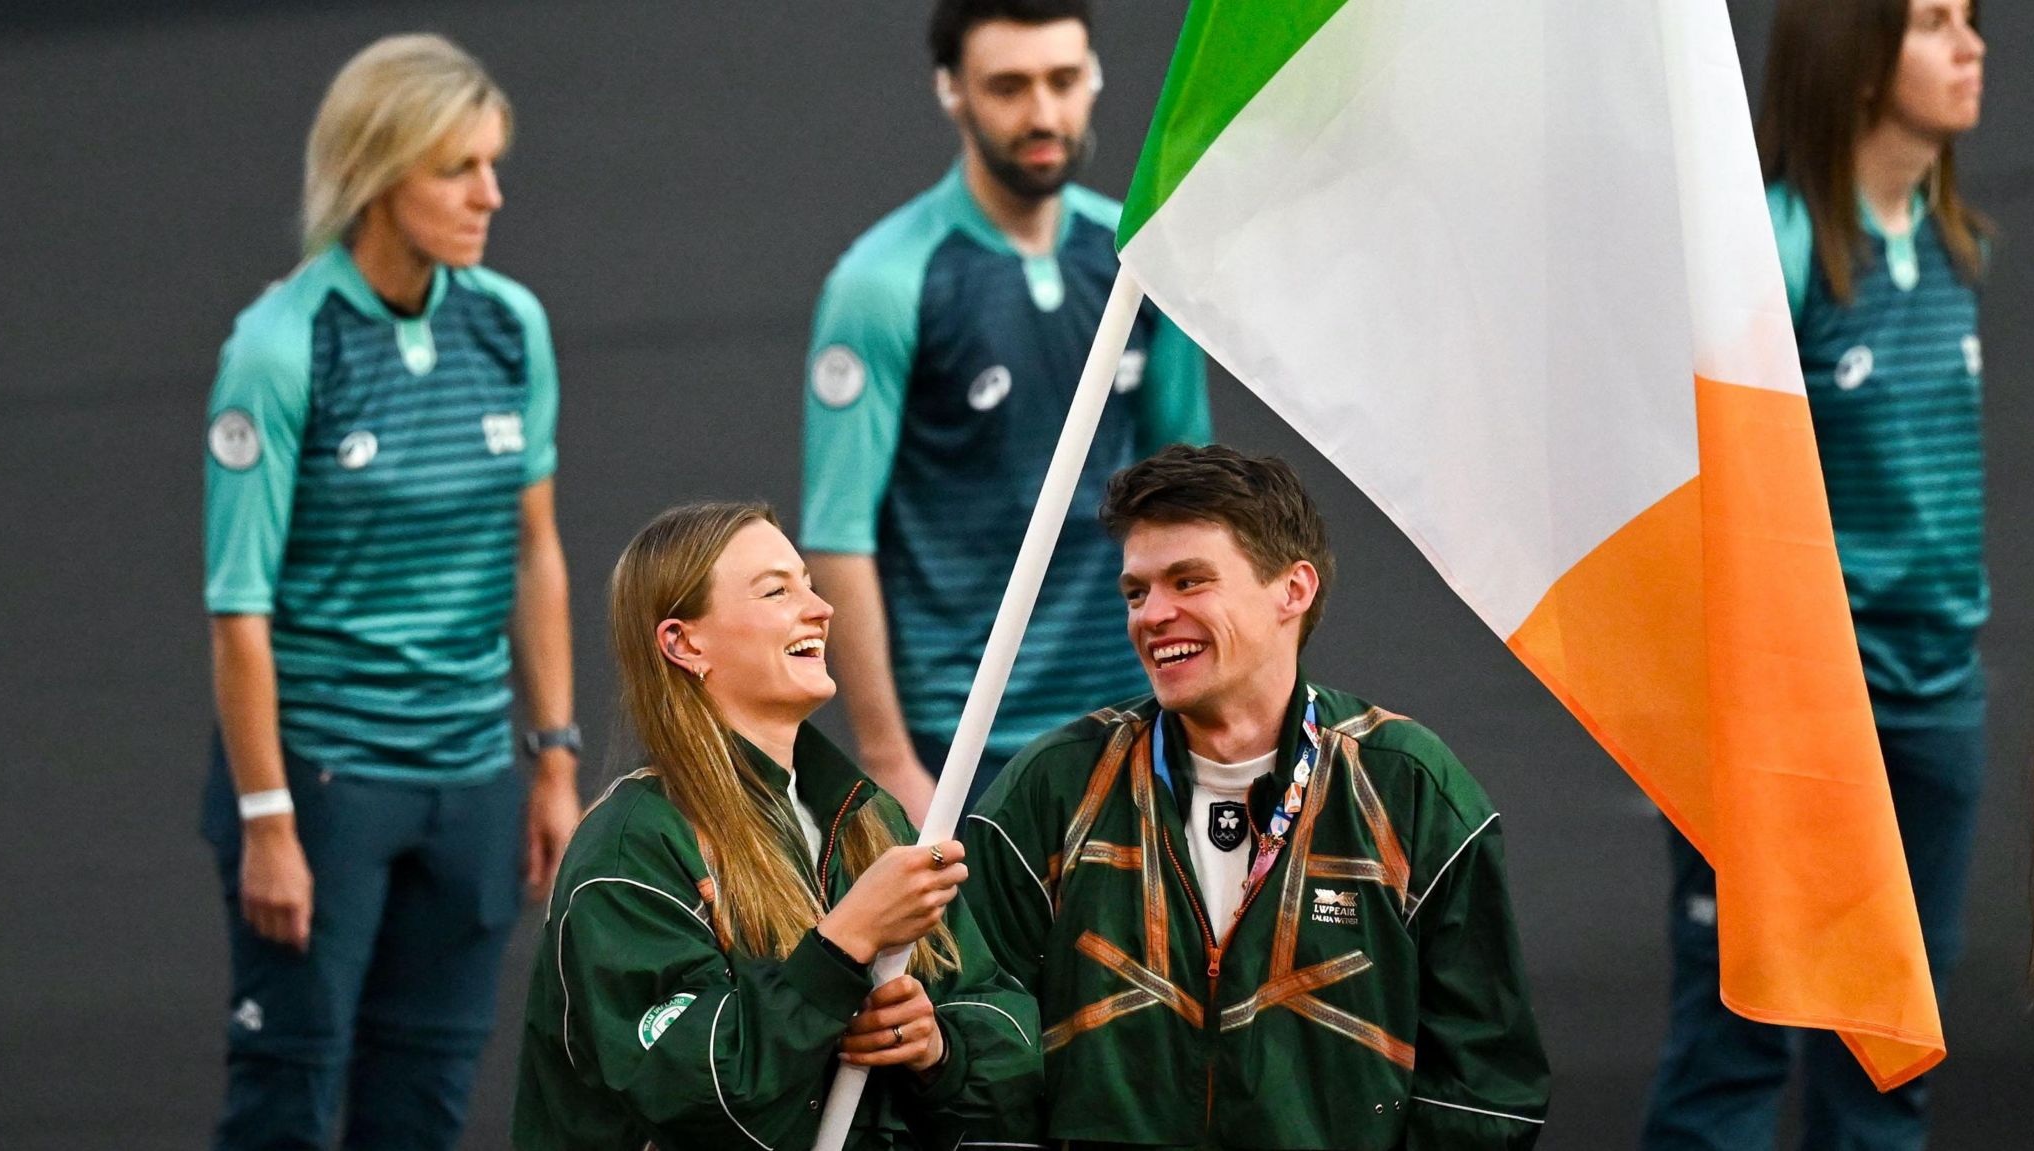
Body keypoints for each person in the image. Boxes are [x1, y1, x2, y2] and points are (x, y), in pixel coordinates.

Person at [200, 34, 580, 1148]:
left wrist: (552, 758)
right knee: (287, 1099)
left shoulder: (510, 324)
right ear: (375, 173)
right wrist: (268, 818)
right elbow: (238, 610)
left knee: (424, 1101)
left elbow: (535, 551)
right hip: (323, 785)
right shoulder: (280, 347)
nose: (489, 194)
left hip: (469, 786)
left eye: (493, 163)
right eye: (456, 168)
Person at [965, 445, 1549, 1149]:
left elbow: (1486, 1088)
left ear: (1292, 590)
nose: (1153, 615)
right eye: (1137, 591)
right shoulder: (1054, 787)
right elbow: (980, 1048)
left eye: (1189, 581)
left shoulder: (1408, 786)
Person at [1641, 2, 1989, 1148]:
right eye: (1933, 24)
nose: (1969, 46)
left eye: (1968, 22)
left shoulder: (1949, 250)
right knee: (1735, 1045)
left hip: (1935, 702)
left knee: (1890, 1054)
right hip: (1791, 726)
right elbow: (1706, 507)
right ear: (1849, 61)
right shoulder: (1776, 252)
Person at [512, 503, 1043, 1150]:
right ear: (683, 643)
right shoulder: (633, 846)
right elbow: (695, 1091)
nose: (820, 608)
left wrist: (934, 1047)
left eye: (809, 584)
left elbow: (1009, 1041)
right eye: (777, 590)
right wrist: (845, 942)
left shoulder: (869, 818)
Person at [801, 0, 1211, 822]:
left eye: (1064, 80)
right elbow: (838, 534)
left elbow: (1192, 498)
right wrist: (889, 759)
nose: (1044, 113)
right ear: (952, 90)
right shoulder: (882, 282)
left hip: (1135, 718)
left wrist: (1206, 701)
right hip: (961, 741)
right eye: (1009, 86)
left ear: (1094, 75)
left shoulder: (1141, 260)